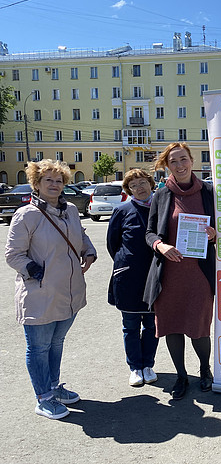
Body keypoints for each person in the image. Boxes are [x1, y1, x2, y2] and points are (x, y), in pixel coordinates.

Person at [5, 159, 96, 420]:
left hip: (70, 293)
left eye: (59, 180)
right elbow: (13, 254)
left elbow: (81, 235)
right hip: (40, 294)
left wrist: (89, 251)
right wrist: (36, 271)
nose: (54, 185)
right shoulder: (27, 215)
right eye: (48, 180)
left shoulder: (70, 211)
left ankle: (54, 386)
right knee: (39, 348)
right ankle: (43, 398)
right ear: (36, 183)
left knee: (56, 343)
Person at [144, 142, 217, 400]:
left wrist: (215, 234)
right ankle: (181, 376)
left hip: (199, 274)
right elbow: (149, 232)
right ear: (167, 166)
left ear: (192, 160)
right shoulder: (162, 194)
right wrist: (160, 245)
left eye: (183, 159)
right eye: (173, 161)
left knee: (200, 327)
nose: (179, 165)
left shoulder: (209, 191)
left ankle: (205, 370)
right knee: (172, 326)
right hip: (169, 275)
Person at [107, 169, 159, 387]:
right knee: (130, 326)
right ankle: (135, 367)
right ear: (129, 190)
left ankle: (148, 365)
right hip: (129, 277)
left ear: (151, 183)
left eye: (142, 182)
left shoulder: (161, 208)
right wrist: (126, 262)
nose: (139, 188)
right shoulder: (122, 210)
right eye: (133, 185)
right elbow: (113, 244)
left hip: (154, 275)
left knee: (152, 325)